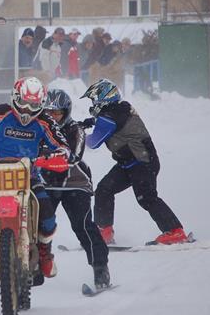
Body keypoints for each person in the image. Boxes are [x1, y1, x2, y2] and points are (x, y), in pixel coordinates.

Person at [0, 77, 70, 284]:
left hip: (30, 176)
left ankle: (44, 252)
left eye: (33, 105)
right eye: (23, 103)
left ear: (41, 104)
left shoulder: (45, 120)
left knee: (48, 216)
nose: (27, 109)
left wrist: (59, 155)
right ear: (15, 98)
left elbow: (61, 144)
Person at [80, 79, 189, 245]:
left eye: (94, 99)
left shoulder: (111, 116)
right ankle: (104, 232)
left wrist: (75, 135)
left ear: (104, 98)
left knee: (146, 197)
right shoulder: (117, 110)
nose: (93, 103)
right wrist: (90, 122)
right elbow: (113, 123)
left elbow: (93, 142)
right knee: (104, 190)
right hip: (128, 163)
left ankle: (175, 232)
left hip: (142, 162)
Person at [41, 89, 110, 289]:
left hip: (75, 184)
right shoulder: (39, 129)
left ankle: (100, 269)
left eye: (57, 113)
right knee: (38, 227)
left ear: (66, 112)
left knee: (82, 226)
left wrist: (47, 155)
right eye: (48, 113)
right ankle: (34, 268)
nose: (52, 117)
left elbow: (75, 156)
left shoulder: (75, 130)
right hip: (46, 184)